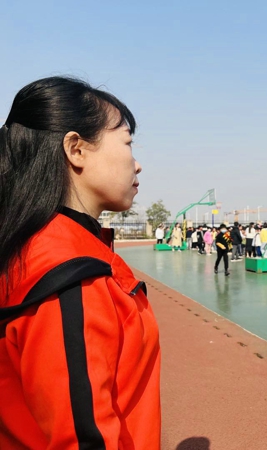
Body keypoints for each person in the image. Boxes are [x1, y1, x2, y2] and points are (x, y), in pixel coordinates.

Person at [0, 76, 160, 448]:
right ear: (76, 149)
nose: (137, 165)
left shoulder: (32, 248)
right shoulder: (70, 274)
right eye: (127, 143)